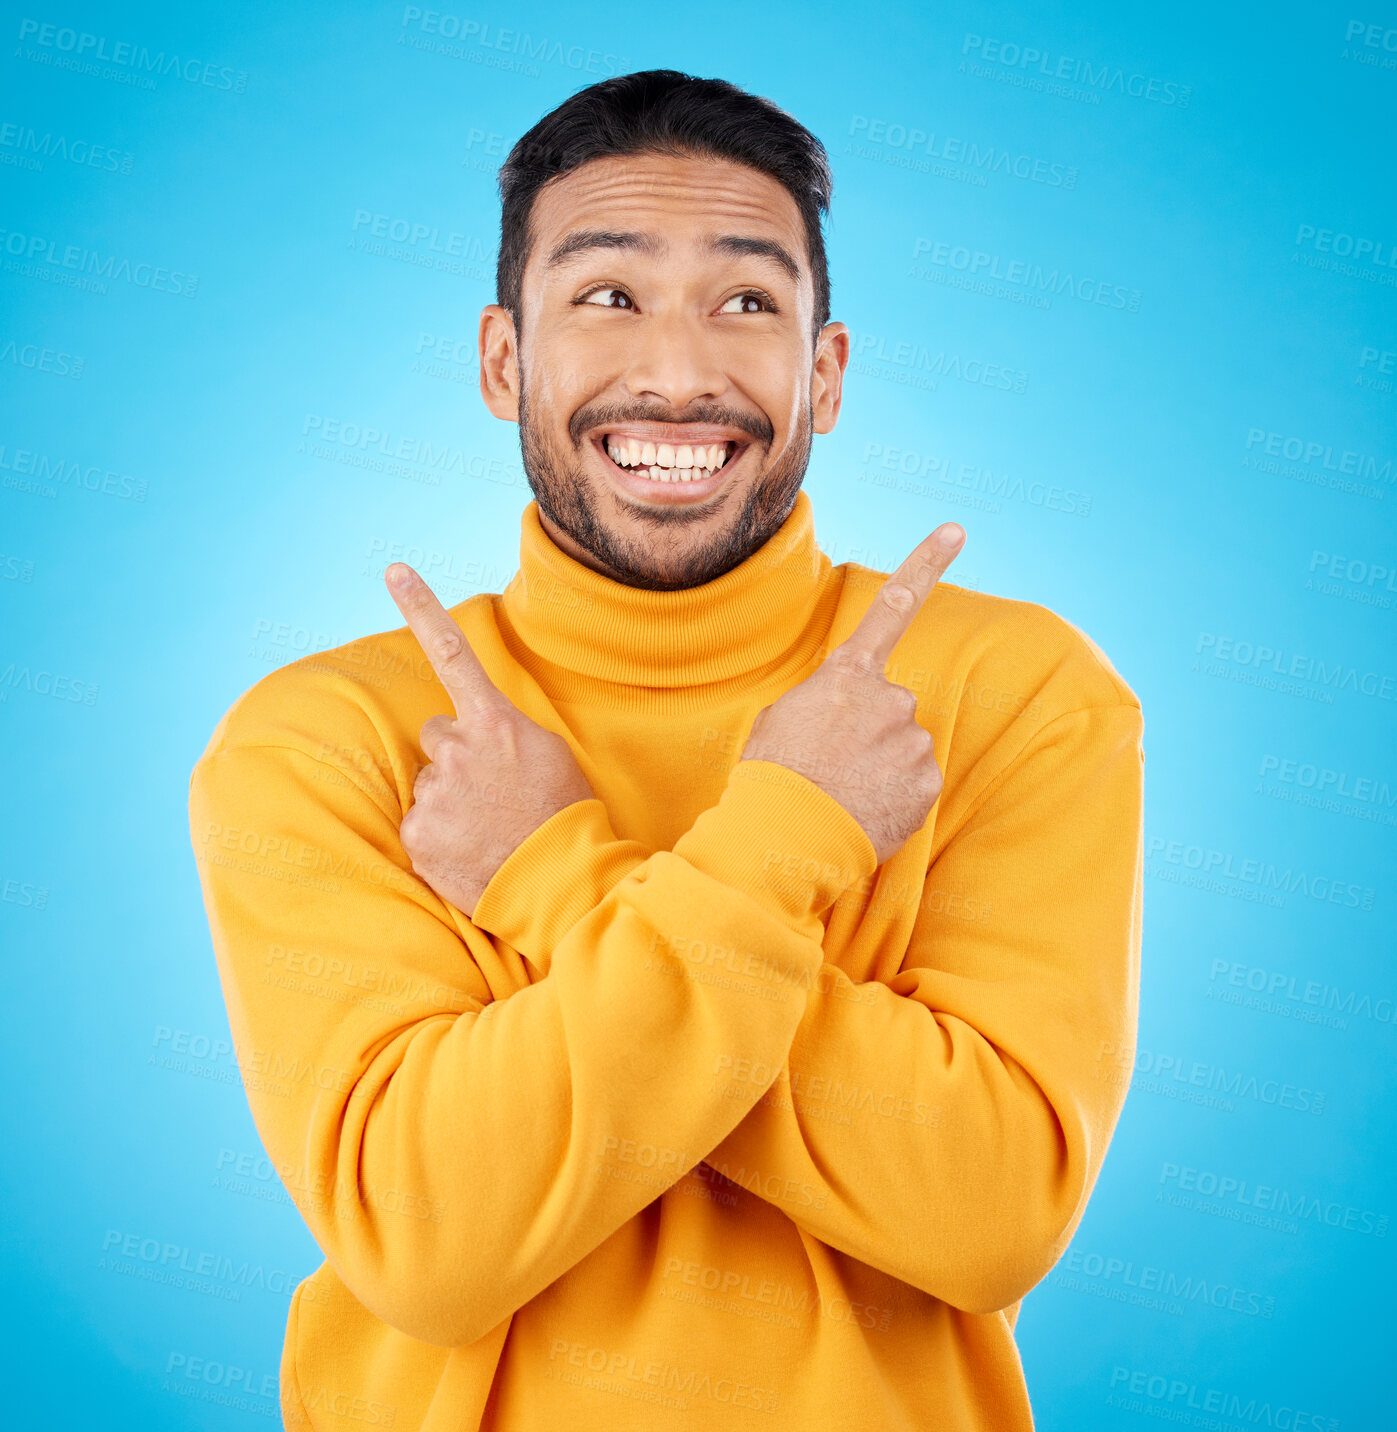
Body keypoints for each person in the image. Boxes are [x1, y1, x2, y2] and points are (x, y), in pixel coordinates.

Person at [189, 68, 1144, 1432]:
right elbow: (427, 1242)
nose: (680, 374)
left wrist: (554, 874)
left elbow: (989, 1213)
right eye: (607, 295)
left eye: (747, 302)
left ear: (823, 372)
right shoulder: (326, 739)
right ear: (501, 360)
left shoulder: (1008, 691)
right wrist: (789, 841)